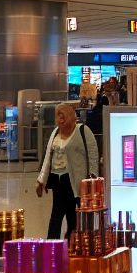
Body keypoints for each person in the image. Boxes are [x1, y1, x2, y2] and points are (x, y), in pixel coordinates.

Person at [36, 102, 100, 239]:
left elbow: (93, 155)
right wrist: (41, 180)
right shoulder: (55, 133)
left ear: (70, 115)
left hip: (75, 180)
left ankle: (71, 244)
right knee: (56, 215)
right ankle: (52, 245)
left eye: (63, 114)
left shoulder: (83, 131)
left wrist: (93, 179)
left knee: (73, 215)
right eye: (58, 115)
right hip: (57, 180)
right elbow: (48, 157)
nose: (60, 118)